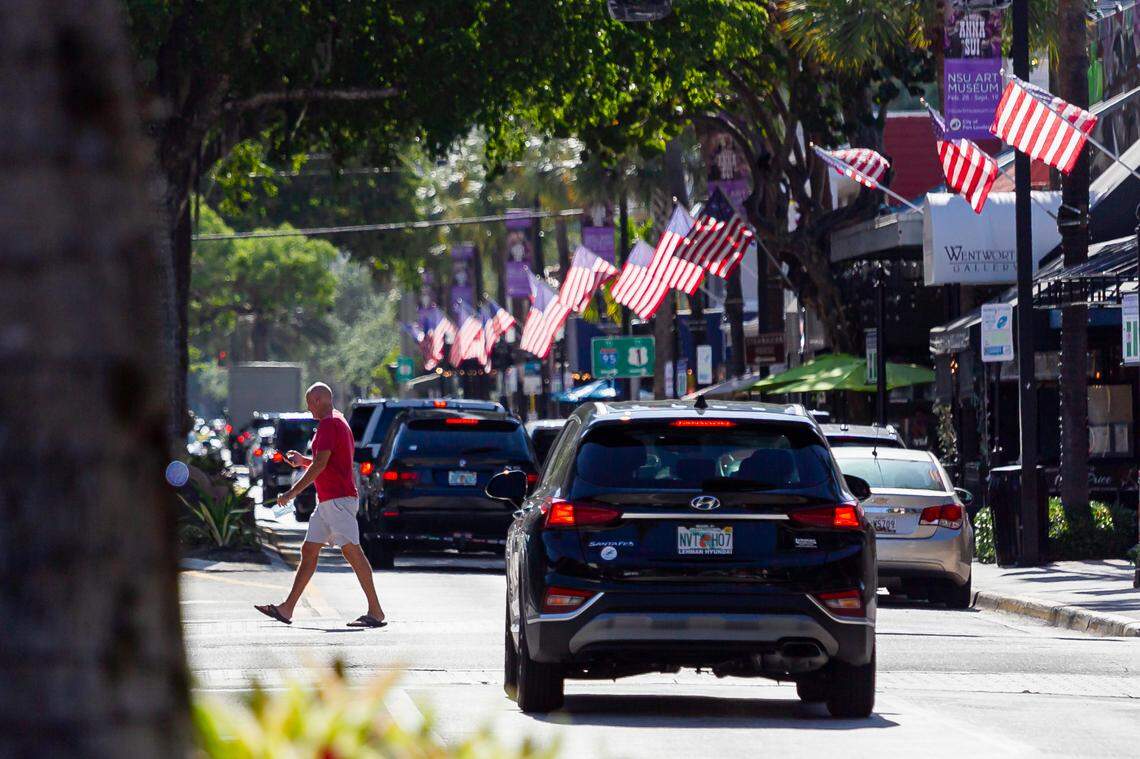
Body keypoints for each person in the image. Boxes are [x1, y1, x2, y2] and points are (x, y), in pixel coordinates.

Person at [255, 382, 386, 628]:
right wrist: (303, 460)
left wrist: (292, 493)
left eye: (309, 403)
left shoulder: (329, 424)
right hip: (327, 502)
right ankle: (287, 608)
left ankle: (376, 611)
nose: (308, 409)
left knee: (353, 552)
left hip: (338, 501)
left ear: (318, 400)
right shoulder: (336, 421)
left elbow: (320, 465)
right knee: (309, 551)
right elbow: (325, 461)